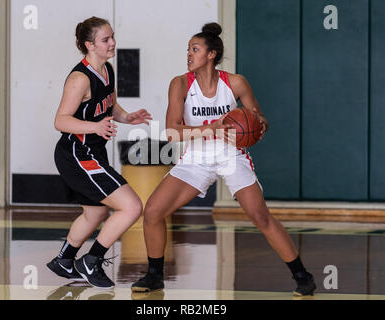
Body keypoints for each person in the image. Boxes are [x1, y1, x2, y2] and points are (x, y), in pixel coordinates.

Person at [131, 22, 316, 296]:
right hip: (195, 157)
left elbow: (259, 118)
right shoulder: (180, 84)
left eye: (194, 49)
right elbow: (171, 132)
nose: (188, 54)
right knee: (153, 212)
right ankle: (155, 275)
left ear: (211, 54)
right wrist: (211, 129)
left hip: (231, 155)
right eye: (188, 50)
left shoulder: (236, 82)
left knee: (259, 215)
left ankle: (302, 275)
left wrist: (260, 126)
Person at [47, 16, 152, 289]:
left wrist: (127, 118)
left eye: (112, 36)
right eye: (106, 39)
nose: (113, 42)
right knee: (131, 207)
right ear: (89, 45)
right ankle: (91, 261)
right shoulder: (79, 78)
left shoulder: (106, 69)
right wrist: (94, 126)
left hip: (92, 152)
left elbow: (110, 105)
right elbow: (61, 120)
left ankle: (64, 260)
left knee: (94, 215)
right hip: (76, 153)